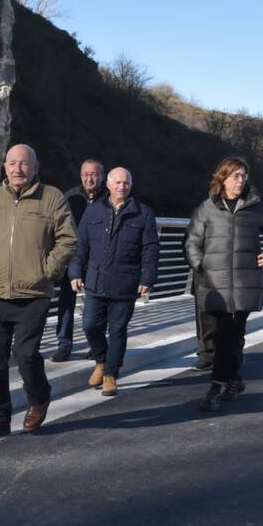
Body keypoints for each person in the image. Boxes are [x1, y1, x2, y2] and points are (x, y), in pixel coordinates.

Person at [0, 144, 77, 440]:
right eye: (12, 163)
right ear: (4, 166)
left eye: (24, 164)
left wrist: (47, 271)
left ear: (35, 167)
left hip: (34, 293)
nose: (18, 169)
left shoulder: (52, 198)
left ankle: (39, 397)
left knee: (26, 354)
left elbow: (67, 241)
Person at [184, 156, 263, 412]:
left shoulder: (257, 207)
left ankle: (215, 387)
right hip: (214, 286)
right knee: (231, 338)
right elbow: (191, 242)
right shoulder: (206, 208)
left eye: (244, 176)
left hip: (244, 284)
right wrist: (200, 265)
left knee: (229, 335)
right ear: (223, 178)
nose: (241, 181)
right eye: (236, 176)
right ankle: (234, 380)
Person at [69, 167, 159, 397]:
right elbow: (81, 246)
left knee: (118, 330)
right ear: (108, 185)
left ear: (131, 186)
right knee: (90, 325)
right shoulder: (93, 211)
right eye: (117, 183)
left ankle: (110, 374)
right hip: (96, 281)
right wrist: (75, 272)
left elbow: (150, 249)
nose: (122, 187)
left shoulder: (143, 213)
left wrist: (147, 277)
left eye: (126, 183)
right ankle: (101, 360)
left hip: (126, 283)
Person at [51, 159, 106, 362]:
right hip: (73, 257)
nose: (89, 178)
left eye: (93, 174)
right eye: (85, 174)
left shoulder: (108, 198)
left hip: (97, 260)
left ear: (101, 176)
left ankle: (96, 344)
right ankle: (64, 344)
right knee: (66, 301)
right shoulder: (70, 196)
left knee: (97, 304)